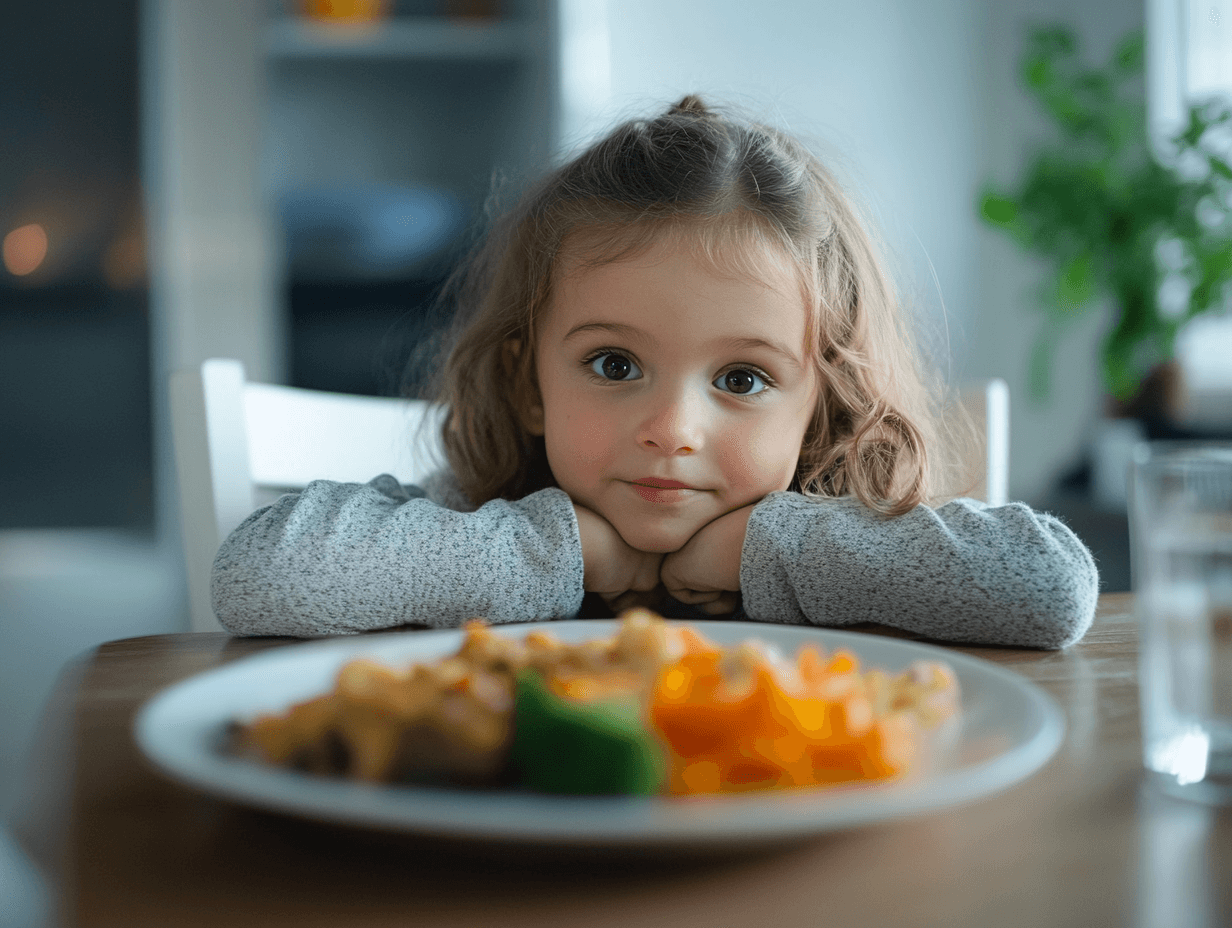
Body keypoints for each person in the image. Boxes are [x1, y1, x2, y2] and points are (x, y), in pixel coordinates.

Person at [212, 95, 1099, 647]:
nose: (672, 428)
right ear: (529, 386)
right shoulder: (481, 521)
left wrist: (766, 550)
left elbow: (1051, 590)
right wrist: (554, 552)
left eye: (743, 380)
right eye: (613, 363)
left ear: (819, 406)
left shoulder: (843, 537)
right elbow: (258, 575)